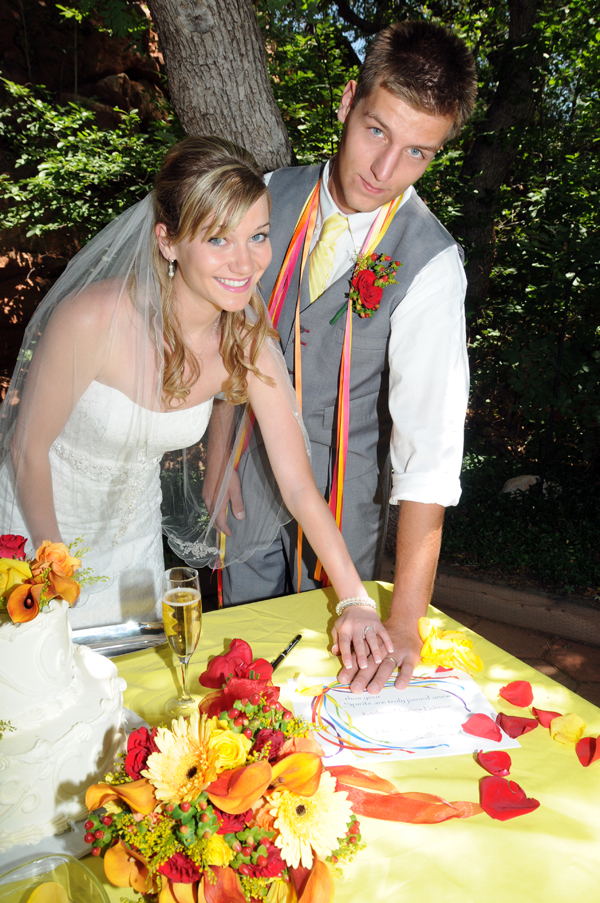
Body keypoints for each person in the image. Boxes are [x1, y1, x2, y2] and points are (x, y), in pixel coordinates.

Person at [0, 136, 392, 666]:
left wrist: (355, 598)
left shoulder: (247, 338)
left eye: (258, 236)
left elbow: (299, 486)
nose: (245, 262)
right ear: (168, 241)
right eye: (217, 239)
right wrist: (51, 570)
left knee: (131, 686)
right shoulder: (94, 320)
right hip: (37, 524)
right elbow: (28, 449)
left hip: (131, 545)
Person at [220, 21, 478, 694]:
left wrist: (405, 619)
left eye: (419, 153)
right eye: (376, 131)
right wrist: (216, 463)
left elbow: (429, 455)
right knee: (231, 673)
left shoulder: (431, 263)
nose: (385, 170)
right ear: (346, 102)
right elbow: (222, 339)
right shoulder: (266, 196)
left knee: (315, 686)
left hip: (339, 513)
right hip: (241, 489)